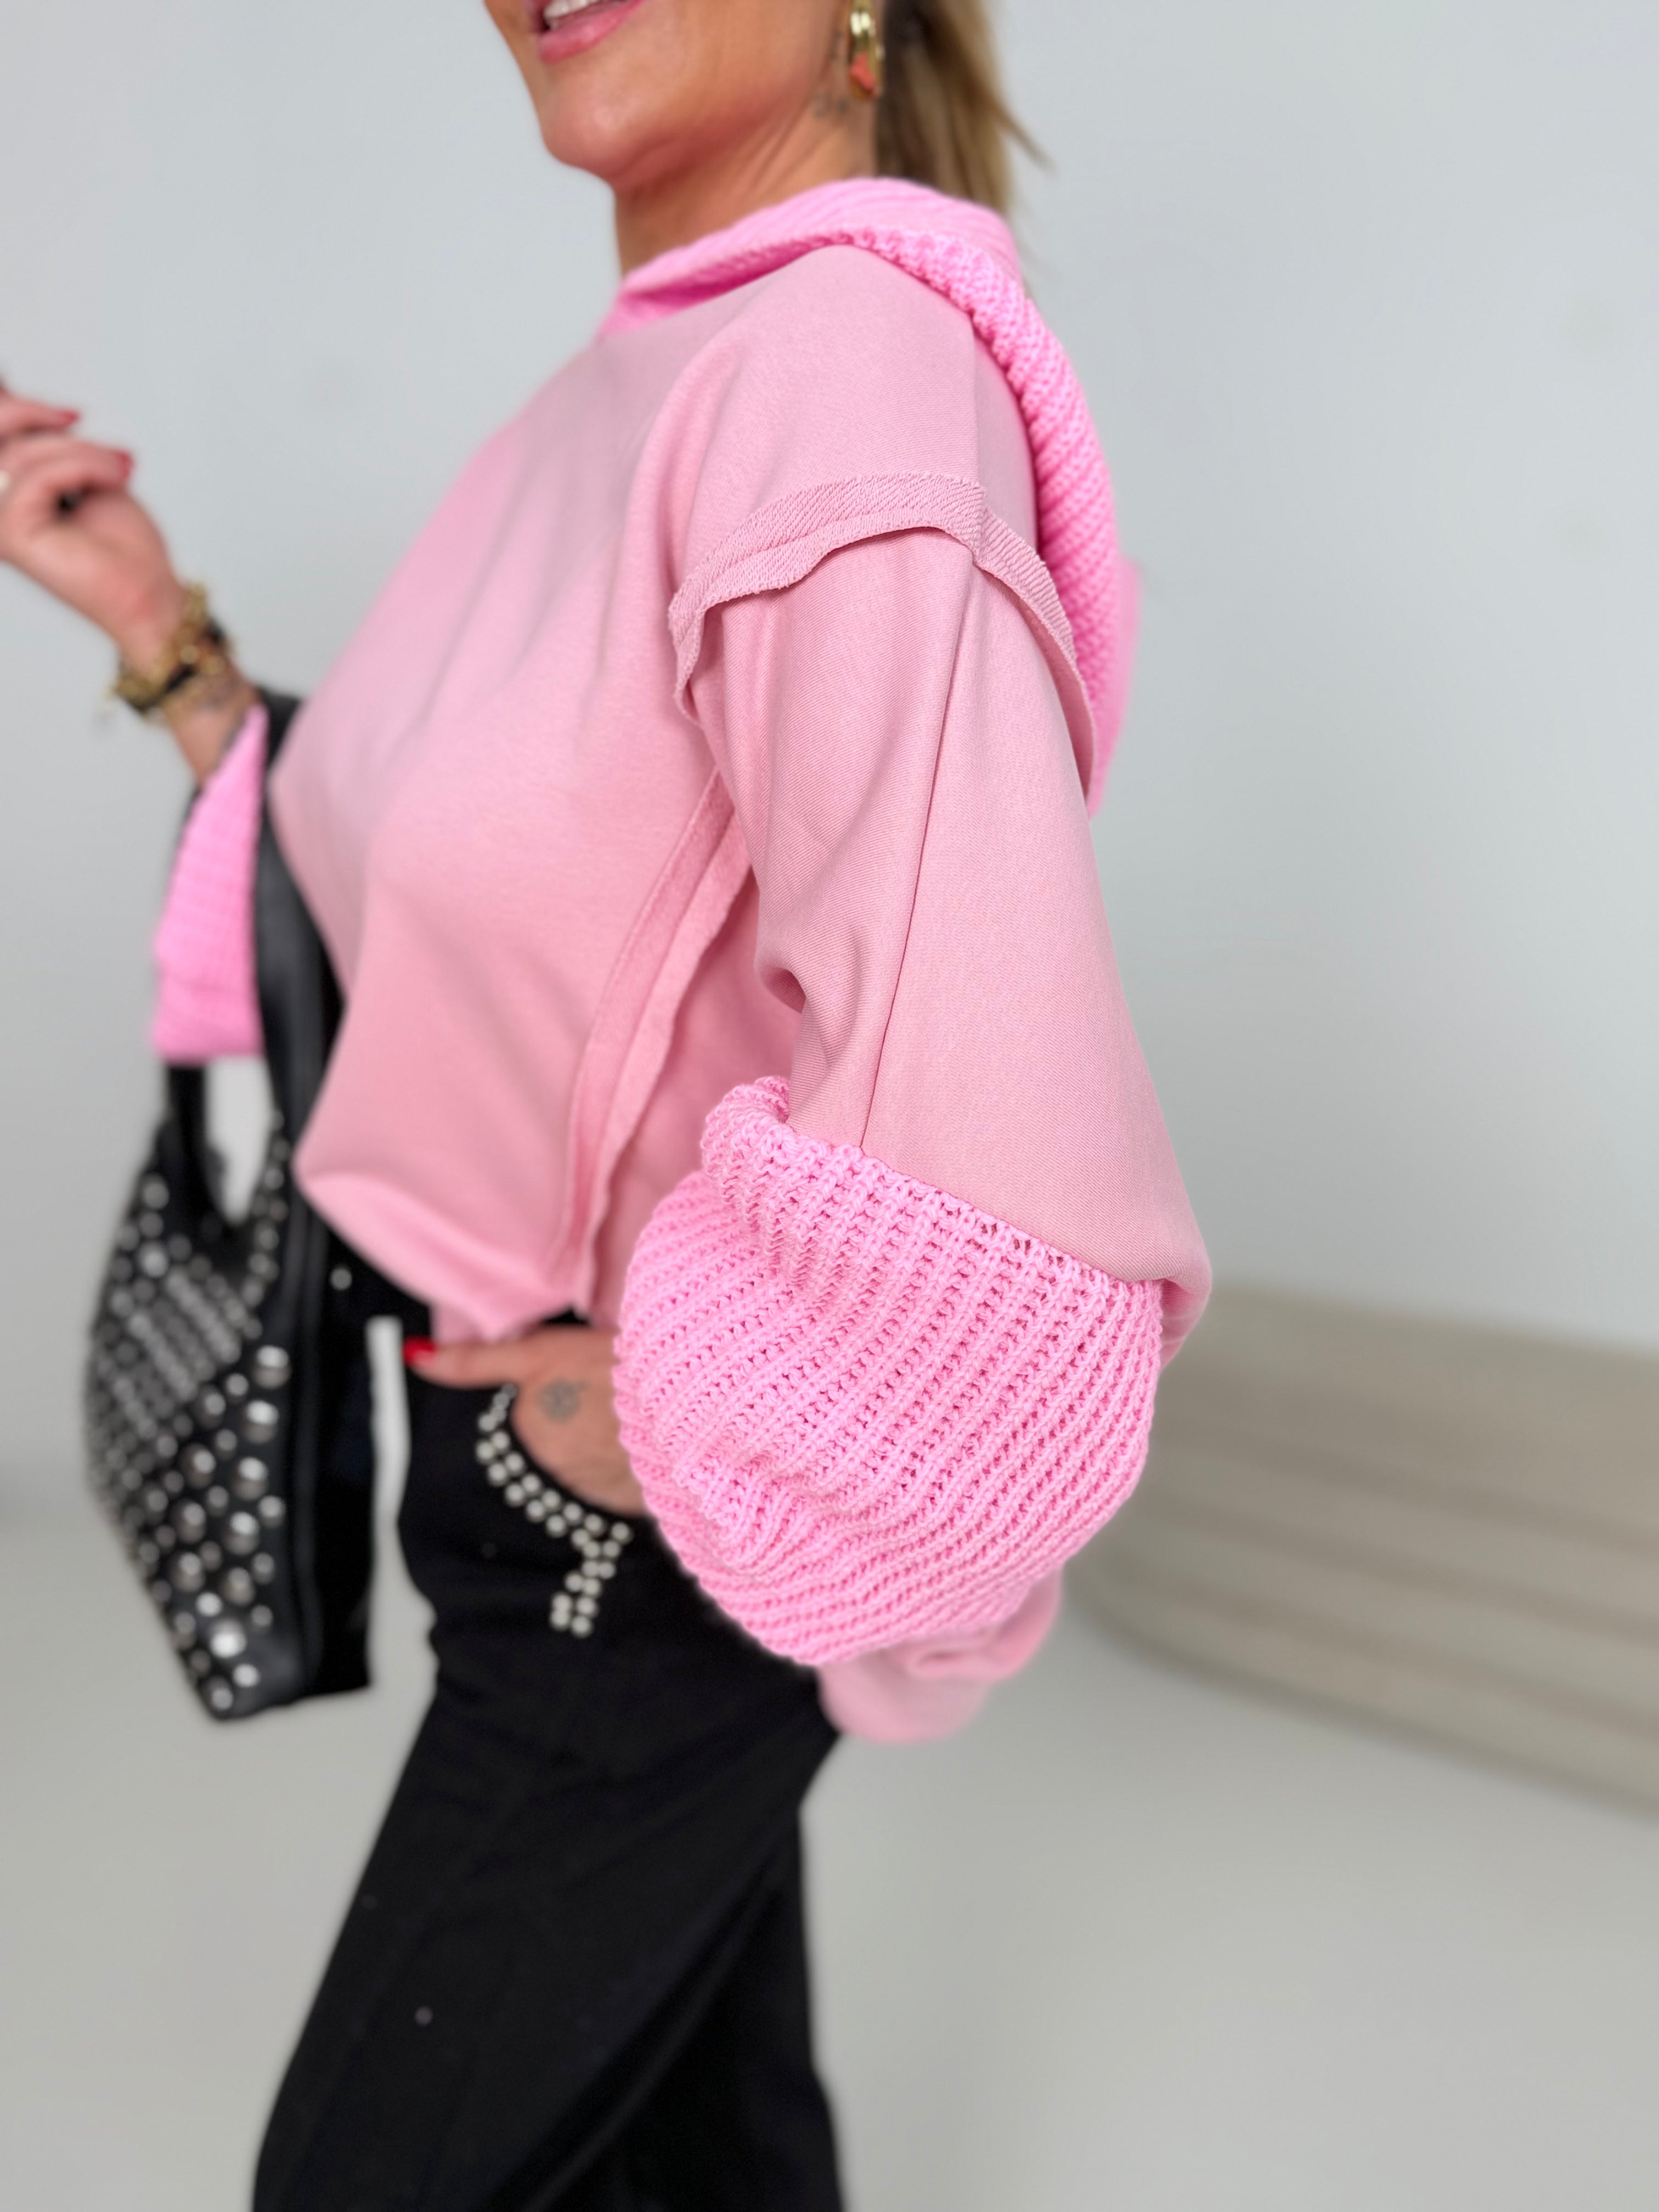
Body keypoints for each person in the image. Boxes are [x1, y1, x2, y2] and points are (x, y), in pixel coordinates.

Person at [0, 1, 1209, 2204]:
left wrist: (649, 1423)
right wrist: (161, 630)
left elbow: (1001, 1156)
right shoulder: (650, 373)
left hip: (647, 1521)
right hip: (577, 1466)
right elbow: (501, 899)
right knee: (712, 2160)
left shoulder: (840, 374)